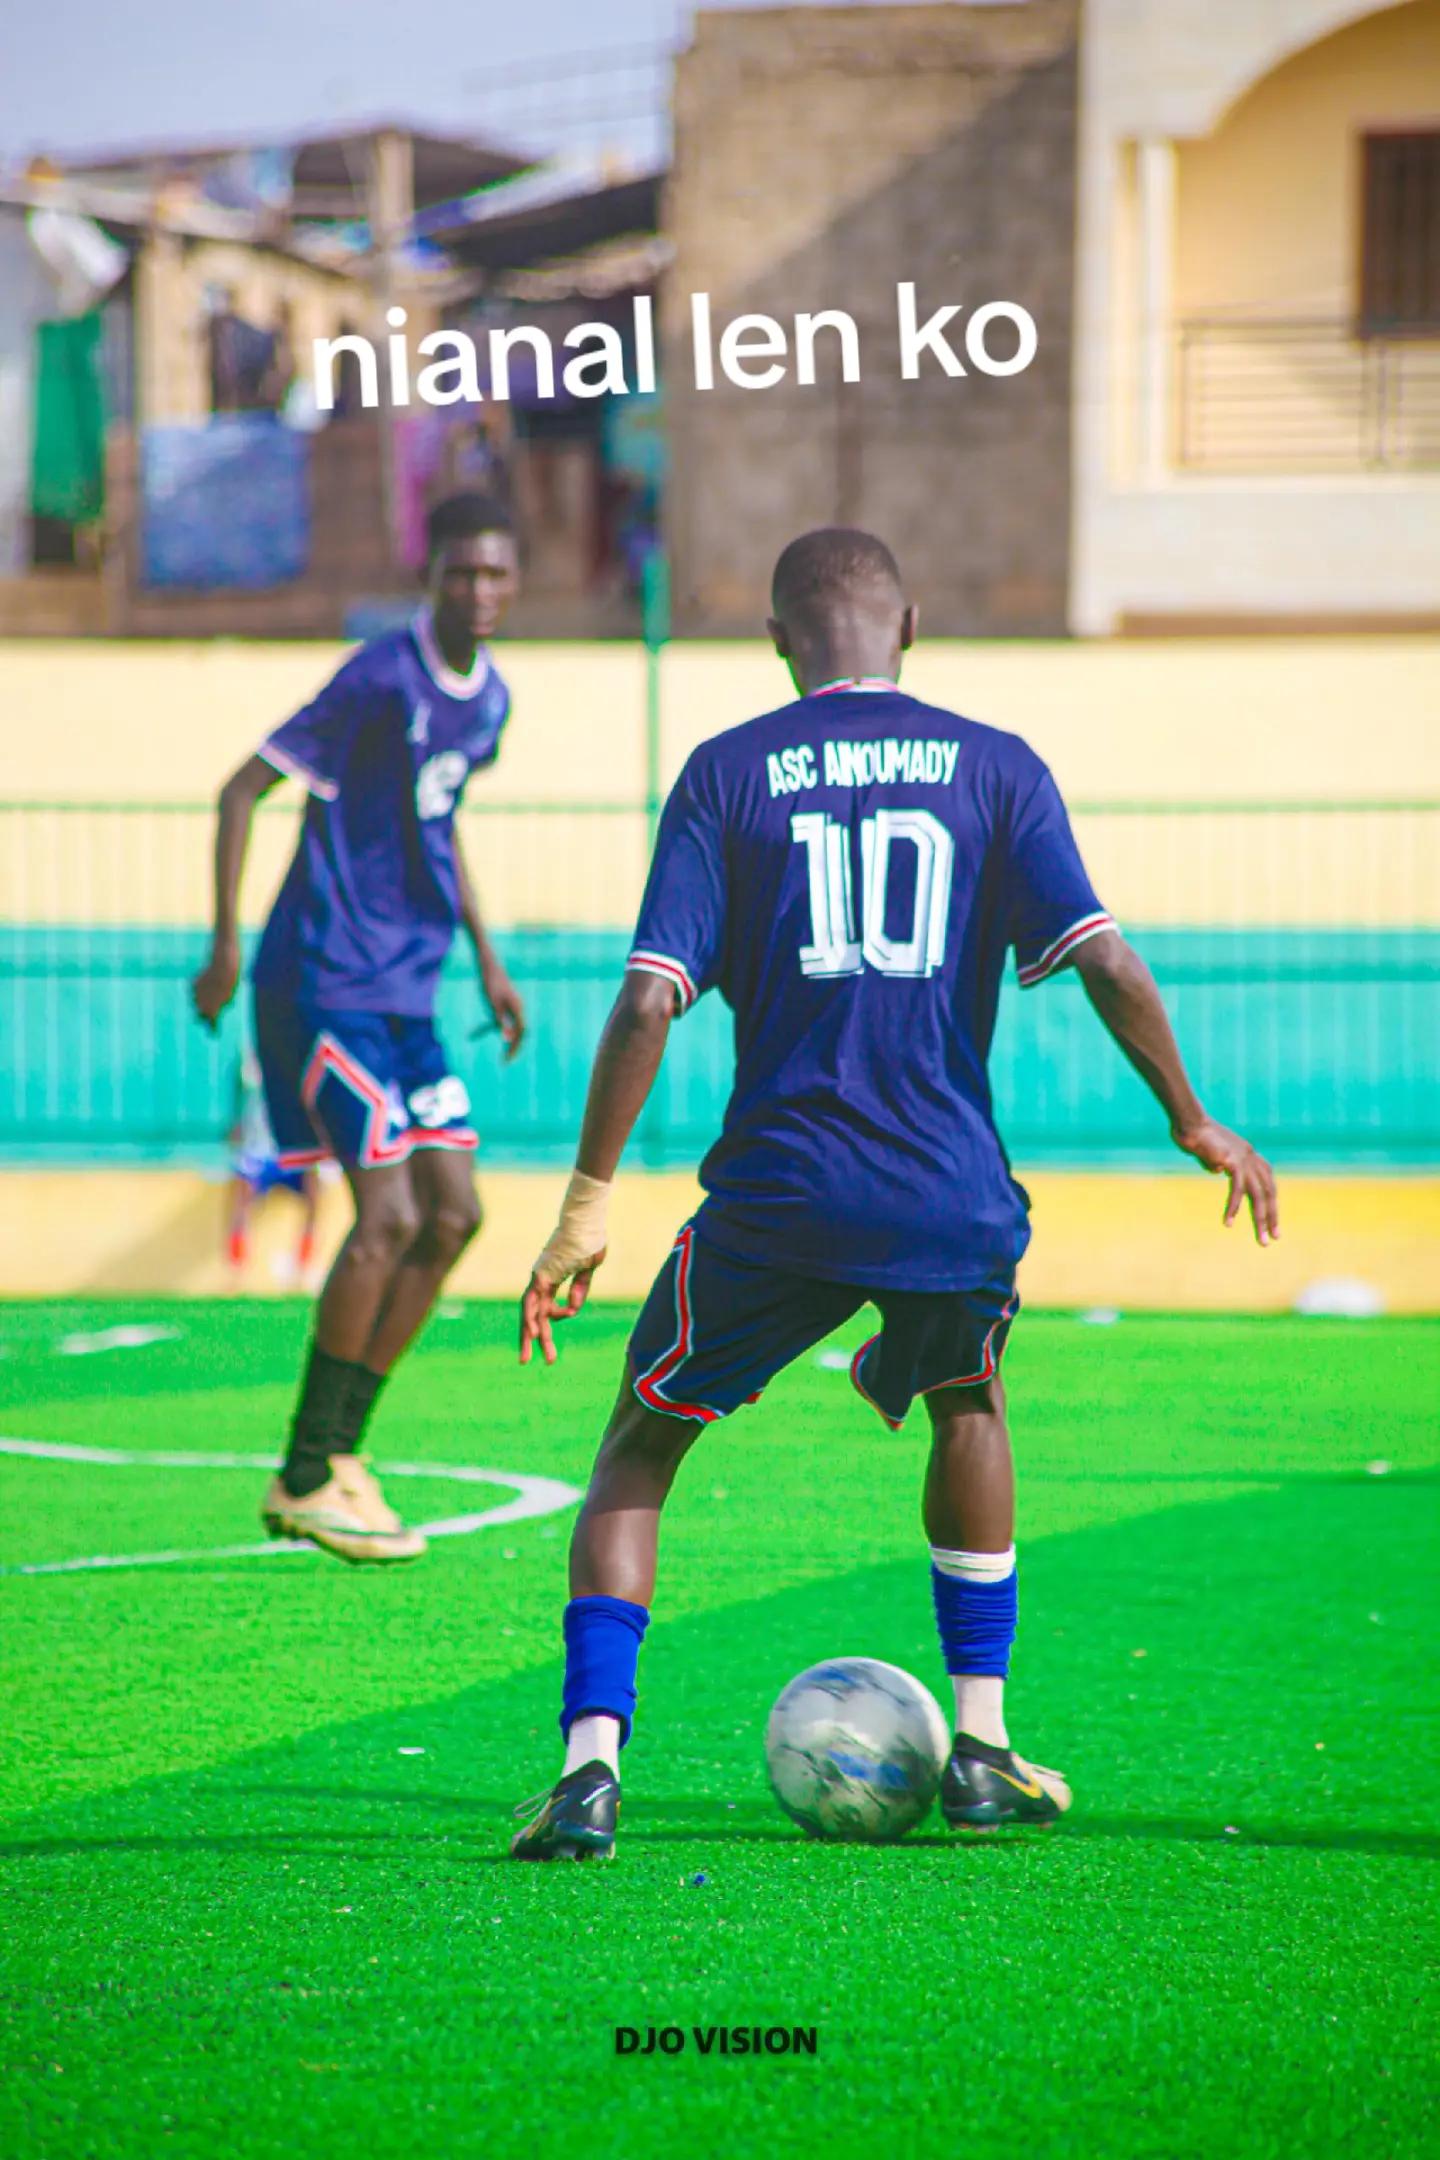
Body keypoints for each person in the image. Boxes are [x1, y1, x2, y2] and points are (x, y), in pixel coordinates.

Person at [511, 527, 1278, 1861]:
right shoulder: (997, 766)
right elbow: (1103, 958)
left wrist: (585, 1205)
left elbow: (647, 999)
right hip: (946, 1197)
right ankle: (981, 1746)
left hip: (782, 1194)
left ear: (777, 640)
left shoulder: (725, 772)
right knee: (967, 1404)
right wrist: (1193, 1119)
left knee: (640, 1448)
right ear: (909, 625)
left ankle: (589, 1773)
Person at [192, 492, 527, 1565]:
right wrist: (226, 946)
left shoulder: (491, 699)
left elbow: (440, 822)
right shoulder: (379, 677)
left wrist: (488, 958)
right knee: (386, 1213)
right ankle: (303, 1472)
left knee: (454, 1214)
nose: (479, 590)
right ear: (430, 578)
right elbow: (240, 791)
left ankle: (339, 1456)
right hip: (323, 979)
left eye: (496, 572)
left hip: (408, 992)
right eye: (461, 572)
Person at [225, 1048, 321, 1288]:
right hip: (259, 1150)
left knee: (316, 1190)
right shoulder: (249, 1061)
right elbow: (239, 1101)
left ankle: (303, 1267)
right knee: (242, 1193)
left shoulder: (302, 1056)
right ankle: (236, 1270)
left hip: (291, 1150)